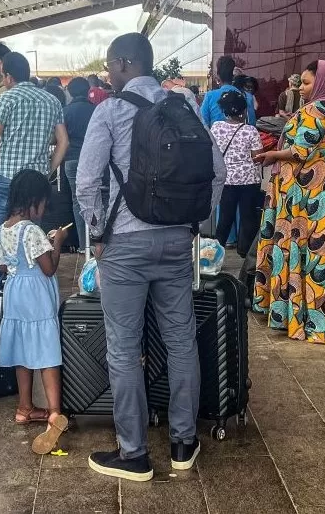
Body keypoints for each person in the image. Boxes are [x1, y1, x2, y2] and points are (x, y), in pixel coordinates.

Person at [76, 33, 226, 482]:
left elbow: (86, 181)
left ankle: (134, 454)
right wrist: (195, 221)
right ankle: (183, 444)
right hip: (177, 242)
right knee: (181, 341)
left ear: (125, 63)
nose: (108, 74)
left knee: (124, 348)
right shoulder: (184, 105)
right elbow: (217, 172)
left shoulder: (110, 111)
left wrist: (97, 234)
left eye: (109, 65)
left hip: (125, 245)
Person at [253, 59, 325, 342]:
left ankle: (305, 316)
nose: (300, 88)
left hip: (306, 190)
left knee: (306, 245)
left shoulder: (316, 109)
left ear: (322, 82)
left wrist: (272, 155)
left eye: (306, 83)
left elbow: (299, 151)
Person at [0, 169, 69, 454]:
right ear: (33, 200)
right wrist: (57, 242)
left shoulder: (5, 228)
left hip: (15, 292)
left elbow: (1, 265)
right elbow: (49, 268)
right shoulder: (32, 230)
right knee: (47, 352)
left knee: (22, 350)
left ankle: (24, 408)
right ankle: (54, 412)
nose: (44, 209)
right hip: (36, 294)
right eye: (43, 204)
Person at [0, 52, 68, 288]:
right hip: (36, 181)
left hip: (5, 177)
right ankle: (31, 283)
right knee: (32, 233)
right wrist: (48, 170)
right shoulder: (52, 100)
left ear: (8, 76)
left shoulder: (7, 98)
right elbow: (63, 142)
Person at [210, 90, 262, 257]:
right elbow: (257, 157)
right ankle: (246, 254)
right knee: (248, 217)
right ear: (244, 110)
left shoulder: (216, 127)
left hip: (226, 180)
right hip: (249, 181)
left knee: (225, 218)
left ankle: (216, 254)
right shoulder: (250, 130)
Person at [62, 77, 95, 248]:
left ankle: (83, 245)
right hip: (93, 159)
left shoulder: (66, 111)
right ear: (88, 90)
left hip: (72, 159)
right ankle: (97, 240)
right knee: (96, 197)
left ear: (70, 92)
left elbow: (59, 138)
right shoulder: (96, 110)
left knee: (77, 200)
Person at [201, 56, 256, 126]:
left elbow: (203, 123)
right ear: (233, 76)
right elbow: (252, 123)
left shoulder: (210, 96)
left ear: (218, 76)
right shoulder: (247, 96)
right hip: (241, 132)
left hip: (214, 132)